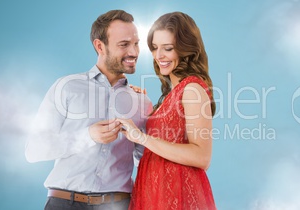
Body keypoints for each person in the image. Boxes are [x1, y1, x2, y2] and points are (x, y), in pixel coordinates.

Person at [25, 10, 152, 210]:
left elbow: (146, 163)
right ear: (99, 46)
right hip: (64, 204)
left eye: (136, 44)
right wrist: (87, 136)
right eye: (124, 44)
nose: (134, 52)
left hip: (118, 205)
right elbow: (34, 150)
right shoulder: (66, 87)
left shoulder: (142, 102)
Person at [116, 12, 217, 209]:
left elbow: (202, 157)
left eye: (168, 48)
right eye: (154, 48)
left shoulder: (193, 89)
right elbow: (163, 141)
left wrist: (141, 137)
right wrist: (140, 102)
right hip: (155, 192)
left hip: (177, 194)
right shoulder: (171, 94)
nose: (158, 56)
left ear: (186, 49)